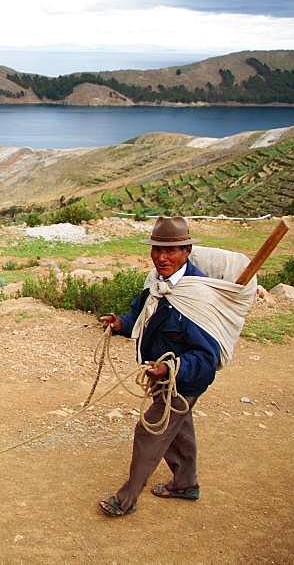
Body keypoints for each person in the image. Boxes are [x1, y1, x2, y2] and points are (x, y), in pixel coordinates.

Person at [96, 216, 221, 517]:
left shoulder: (197, 296)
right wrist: (121, 323)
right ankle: (185, 483)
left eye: (172, 250)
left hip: (182, 381)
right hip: (161, 376)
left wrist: (170, 369)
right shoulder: (155, 283)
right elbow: (141, 314)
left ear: (187, 250)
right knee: (179, 429)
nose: (162, 257)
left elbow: (207, 358)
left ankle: (126, 499)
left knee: (149, 432)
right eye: (157, 250)